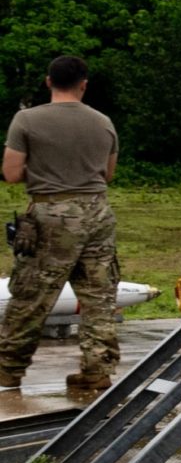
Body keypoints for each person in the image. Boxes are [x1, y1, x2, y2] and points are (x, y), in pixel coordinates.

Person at [0, 54, 121, 396]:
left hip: (52, 213)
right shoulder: (103, 122)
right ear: (84, 84)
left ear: (48, 81)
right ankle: (97, 370)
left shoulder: (26, 120)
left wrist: (43, 170)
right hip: (98, 213)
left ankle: (8, 372)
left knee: (32, 295)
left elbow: (11, 173)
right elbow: (107, 174)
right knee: (98, 295)